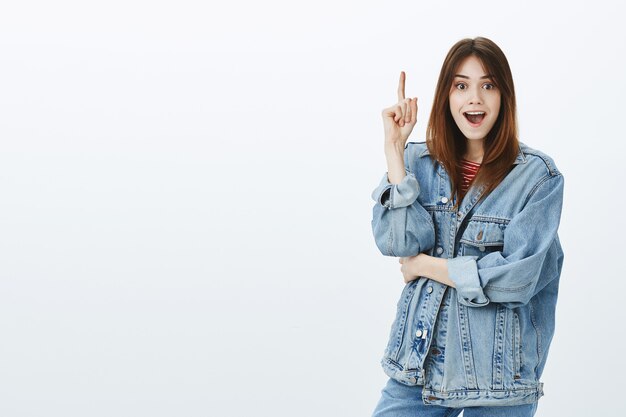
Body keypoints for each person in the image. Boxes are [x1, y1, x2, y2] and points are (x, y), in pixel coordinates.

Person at [369, 37, 565, 417]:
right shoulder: (416, 161)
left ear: (504, 96)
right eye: (461, 86)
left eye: (487, 85)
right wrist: (395, 152)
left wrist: (425, 267)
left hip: (498, 378)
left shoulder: (538, 178)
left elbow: (516, 280)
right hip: (418, 368)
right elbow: (398, 242)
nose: (474, 98)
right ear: (446, 96)